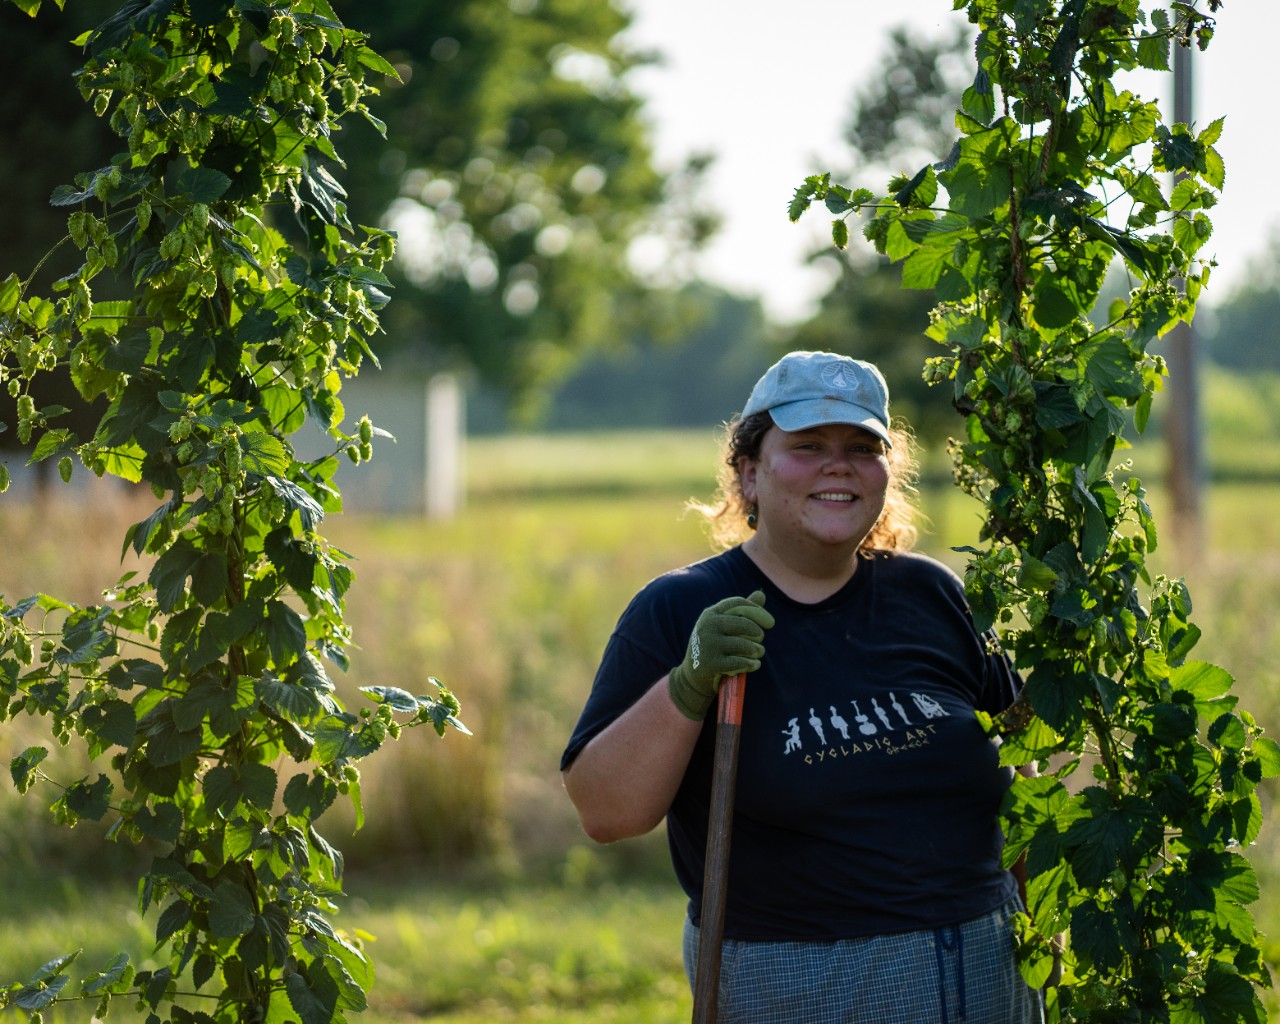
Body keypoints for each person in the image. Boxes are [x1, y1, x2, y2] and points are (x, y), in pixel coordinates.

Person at [560, 350, 1043, 1024]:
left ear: (887, 472)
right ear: (749, 473)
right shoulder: (681, 609)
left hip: (985, 972)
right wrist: (688, 684)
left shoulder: (933, 595)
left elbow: (1023, 773)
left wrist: (1037, 938)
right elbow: (605, 812)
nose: (837, 464)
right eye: (808, 445)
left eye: (861, 447)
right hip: (796, 986)